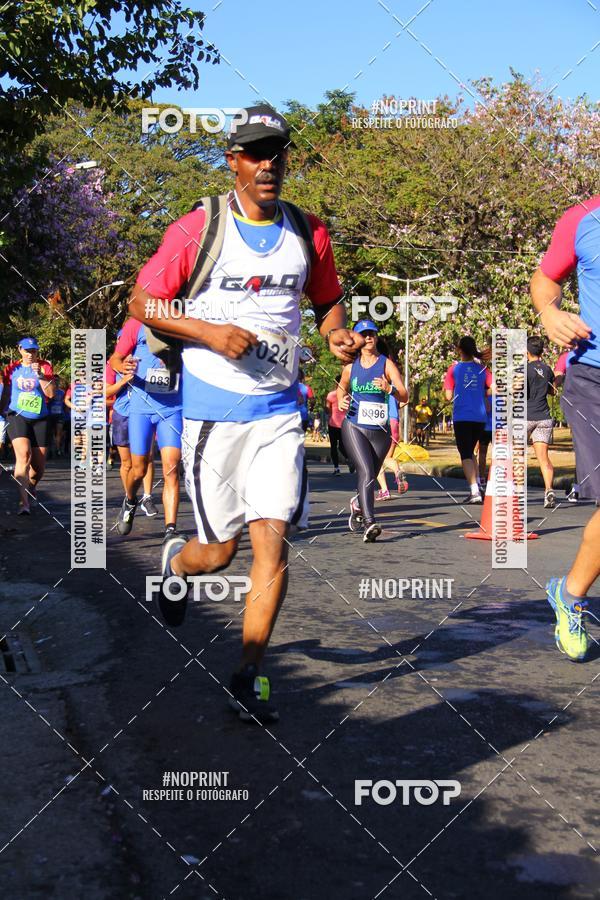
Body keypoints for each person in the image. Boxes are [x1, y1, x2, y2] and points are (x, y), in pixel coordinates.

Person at [126, 103, 362, 722]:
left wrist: (335, 334)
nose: (268, 164)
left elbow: (328, 304)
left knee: (272, 547)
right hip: (214, 414)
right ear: (233, 161)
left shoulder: (309, 232)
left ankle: (248, 674)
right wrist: (208, 332)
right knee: (219, 552)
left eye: (276, 153)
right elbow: (143, 301)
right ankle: (178, 564)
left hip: (279, 411)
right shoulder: (198, 229)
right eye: (255, 153)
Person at [530, 197, 600, 661]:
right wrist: (550, 314)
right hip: (594, 376)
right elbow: (545, 279)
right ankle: (572, 597)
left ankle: (568, 591)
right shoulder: (583, 218)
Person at [109, 319, 182, 540]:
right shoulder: (136, 324)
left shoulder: (184, 320)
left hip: (172, 408)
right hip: (141, 408)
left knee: (171, 468)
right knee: (139, 469)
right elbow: (115, 358)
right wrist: (123, 366)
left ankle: (170, 530)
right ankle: (130, 500)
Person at [338, 320, 407, 540]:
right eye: (364, 334)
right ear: (357, 340)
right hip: (354, 426)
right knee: (367, 472)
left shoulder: (387, 364)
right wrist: (340, 400)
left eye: (372, 334)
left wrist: (390, 388)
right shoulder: (351, 368)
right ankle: (370, 523)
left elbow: (405, 395)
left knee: (369, 475)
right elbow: (341, 388)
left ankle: (358, 503)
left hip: (381, 433)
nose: (368, 337)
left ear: (376, 337)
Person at [0, 337, 55, 513]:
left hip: (40, 418)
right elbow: (6, 393)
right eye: (27, 351)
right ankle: (24, 503)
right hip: (17, 415)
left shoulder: (45, 366)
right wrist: (1, 410)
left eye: (33, 351)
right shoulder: (12, 368)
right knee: (23, 456)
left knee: (38, 467)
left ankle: (31, 486)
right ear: (20, 350)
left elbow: (51, 394)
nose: (30, 354)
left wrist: (40, 375)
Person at [105, 359, 157, 516]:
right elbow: (106, 392)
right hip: (123, 415)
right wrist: (123, 381)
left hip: (144, 413)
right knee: (127, 463)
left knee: (148, 457)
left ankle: (147, 498)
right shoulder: (113, 365)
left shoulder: (147, 360)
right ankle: (130, 498)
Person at [443, 336, 492, 503]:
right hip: (480, 418)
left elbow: (448, 396)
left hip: (462, 417)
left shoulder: (453, 369)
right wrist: (480, 393)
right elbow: (495, 388)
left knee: (465, 454)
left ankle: (474, 491)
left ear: (459, 350)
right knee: (471, 452)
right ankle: (478, 485)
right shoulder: (482, 369)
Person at [526, 336, 556, 508]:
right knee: (544, 458)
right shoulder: (547, 369)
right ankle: (549, 489)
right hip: (544, 416)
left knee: (516, 455)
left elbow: (519, 390)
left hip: (525, 417)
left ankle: (515, 492)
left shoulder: (524, 370)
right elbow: (552, 391)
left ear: (527, 352)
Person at [326, 376, 348, 474]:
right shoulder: (349, 396)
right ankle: (349, 459)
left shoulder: (331, 395)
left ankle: (336, 468)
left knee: (334, 446)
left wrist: (331, 413)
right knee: (343, 446)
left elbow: (327, 408)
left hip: (333, 423)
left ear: (336, 383)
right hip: (344, 425)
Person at [47, 376, 66, 458]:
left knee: (59, 433)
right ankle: (51, 450)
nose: (56, 382)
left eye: (57, 381)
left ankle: (58, 450)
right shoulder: (49, 391)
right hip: (50, 415)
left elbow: (65, 403)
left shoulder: (62, 392)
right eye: (55, 381)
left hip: (60, 414)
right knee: (51, 433)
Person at [297, 369, 314, 433]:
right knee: (302, 435)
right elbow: (312, 401)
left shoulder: (289, 388)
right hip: (303, 416)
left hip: (291, 417)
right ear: (302, 377)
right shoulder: (307, 388)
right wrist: (311, 408)